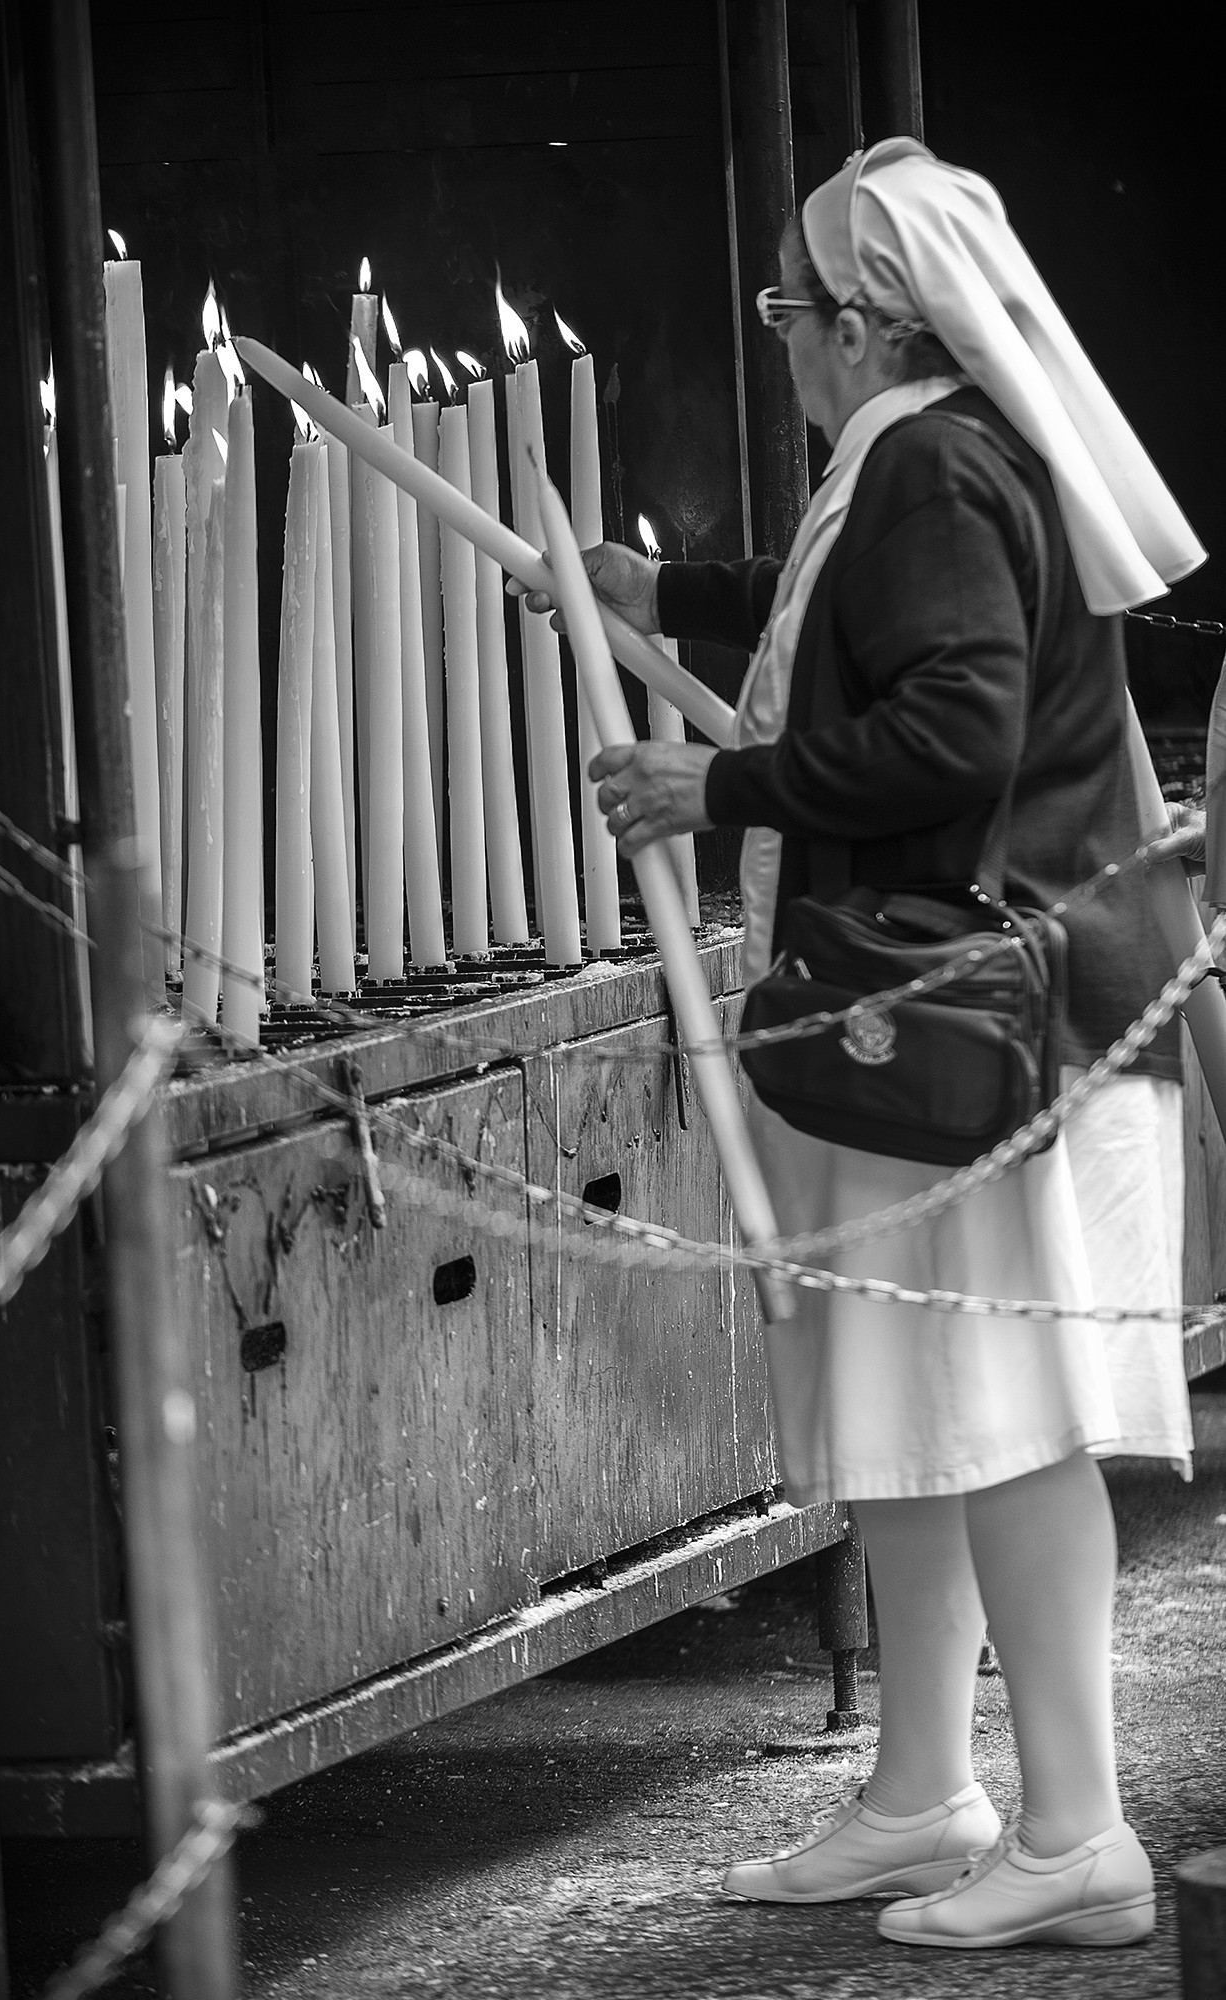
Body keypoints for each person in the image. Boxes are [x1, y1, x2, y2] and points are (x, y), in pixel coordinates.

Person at [519, 138, 1206, 1950]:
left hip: (988, 1024)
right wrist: (654, 595)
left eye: (790, 309)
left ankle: (1077, 1834)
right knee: (914, 1411)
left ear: (863, 322)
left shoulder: (931, 468)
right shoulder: (909, 459)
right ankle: (924, 1796)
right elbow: (846, 622)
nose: (782, 340)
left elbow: (956, 730)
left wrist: (713, 781)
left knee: (1008, 1421)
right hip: (923, 1009)